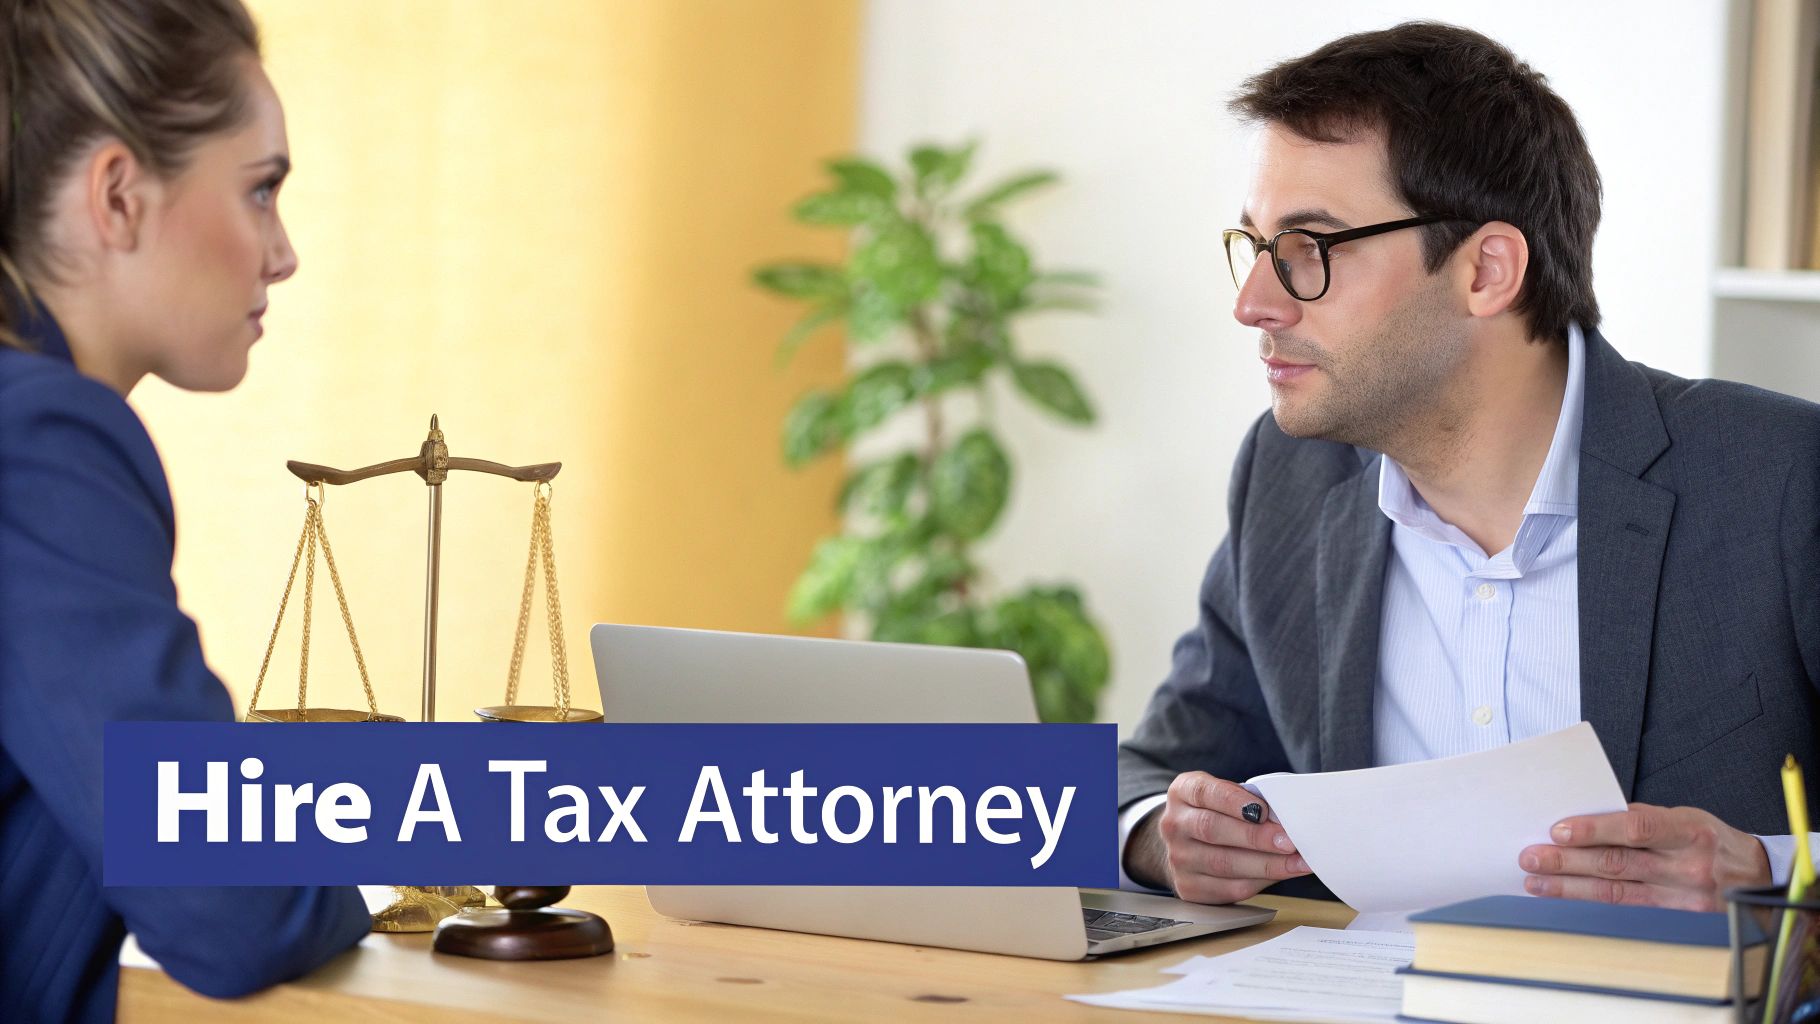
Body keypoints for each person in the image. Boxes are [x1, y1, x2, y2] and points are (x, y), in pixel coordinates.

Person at [1119, 21, 1820, 912]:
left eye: (1309, 250)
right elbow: (1157, 764)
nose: (1253, 303)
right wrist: (1161, 833)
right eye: (1254, 247)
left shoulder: (1781, 480)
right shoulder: (1289, 479)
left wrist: (1769, 868)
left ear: (1487, 270)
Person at [0, 1, 369, 1019]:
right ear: (118, 196)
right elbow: (237, 902)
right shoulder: (37, 439)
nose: (282, 252)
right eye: (260, 190)